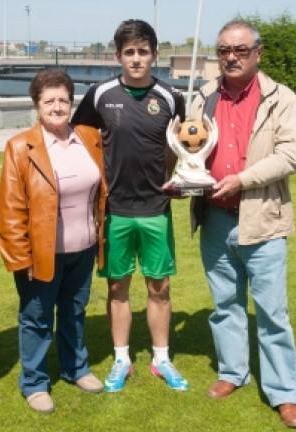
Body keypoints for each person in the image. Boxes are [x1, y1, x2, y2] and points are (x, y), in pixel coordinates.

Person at [186, 19, 296, 428]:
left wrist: (243, 179)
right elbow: (189, 149)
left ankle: (284, 393)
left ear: (258, 52)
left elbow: (293, 154)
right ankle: (232, 372)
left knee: (272, 313)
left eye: (240, 50)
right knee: (225, 306)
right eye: (224, 50)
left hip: (263, 221)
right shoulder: (203, 97)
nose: (231, 57)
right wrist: (185, 180)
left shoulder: (282, 98)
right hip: (215, 221)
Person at [71, 19, 188, 393]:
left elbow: (180, 148)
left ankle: (161, 358)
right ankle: (121, 358)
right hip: (115, 211)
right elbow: (79, 140)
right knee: (117, 287)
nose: (136, 59)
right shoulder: (99, 94)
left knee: (159, 287)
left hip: (156, 209)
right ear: (118, 55)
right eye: (129, 52)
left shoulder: (171, 97)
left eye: (143, 52)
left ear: (155, 54)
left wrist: (176, 179)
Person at [0, 69, 107, 414]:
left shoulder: (89, 137)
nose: (57, 107)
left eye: (63, 100)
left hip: (83, 248)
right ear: (36, 104)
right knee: (37, 318)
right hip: (42, 254)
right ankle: (34, 383)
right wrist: (21, 257)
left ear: (72, 102)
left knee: (74, 312)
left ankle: (76, 369)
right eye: (49, 101)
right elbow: (10, 209)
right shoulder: (20, 147)